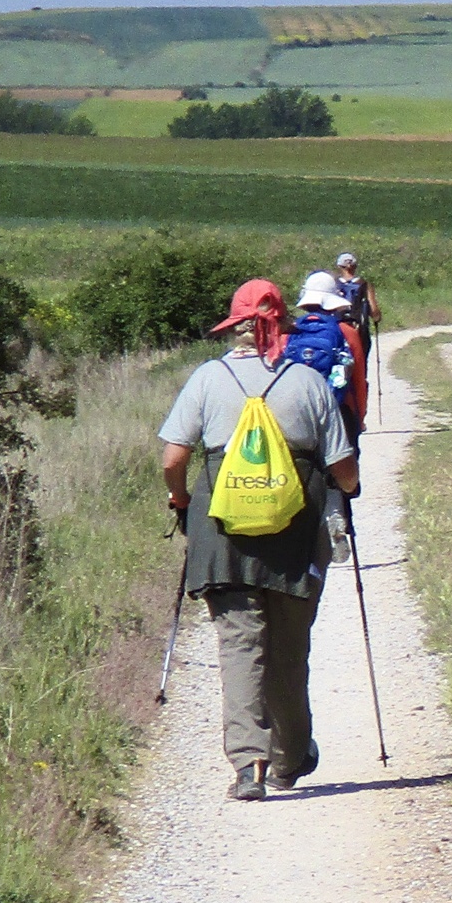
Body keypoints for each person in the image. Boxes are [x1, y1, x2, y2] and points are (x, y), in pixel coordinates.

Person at [159, 279, 359, 802]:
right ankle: (291, 758)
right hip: (294, 533)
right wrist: (348, 491)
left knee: (239, 645)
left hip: (223, 530)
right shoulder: (308, 382)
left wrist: (182, 502)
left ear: (235, 326)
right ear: (281, 325)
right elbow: (344, 469)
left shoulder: (208, 377)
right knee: (290, 649)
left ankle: (249, 766)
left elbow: (173, 458)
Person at [284, 271, 370, 564]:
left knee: (303, 468)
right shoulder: (347, 332)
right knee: (338, 470)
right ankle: (337, 519)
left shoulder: (289, 332)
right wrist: (359, 417)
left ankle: (305, 532)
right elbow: (358, 380)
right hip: (340, 409)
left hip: (299, 412)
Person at [333, 252, 381, 358]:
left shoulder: (333, 284)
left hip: (337, 330)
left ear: (339, 266)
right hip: (359, 331)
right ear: (355, 266)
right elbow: (374, 313)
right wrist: (376, 318)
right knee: (360, 362)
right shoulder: (364, 284)